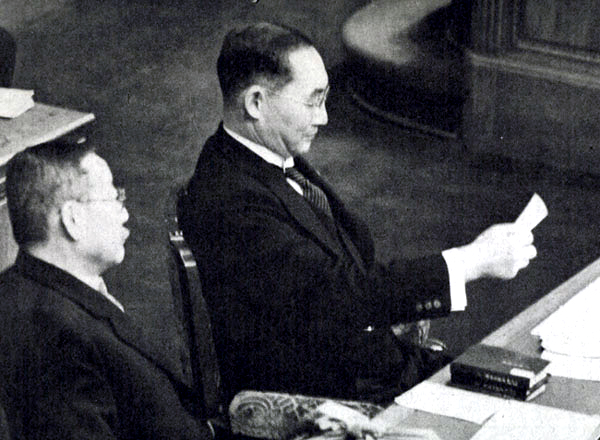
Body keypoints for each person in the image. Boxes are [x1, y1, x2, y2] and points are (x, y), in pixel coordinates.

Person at [177, 22, 537, 404]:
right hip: (336, 396)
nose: (325, 118)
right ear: (255, 103)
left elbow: (346, 275)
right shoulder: (229, 199)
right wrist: (472, 261)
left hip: (371, 366)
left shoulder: (261, 158)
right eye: (313, 101)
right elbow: (337, 295)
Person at [0, 139, 215, 439]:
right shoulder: (51, 332)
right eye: (114, 198)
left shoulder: (43, 290)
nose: (124, 214)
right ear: (73, 219)